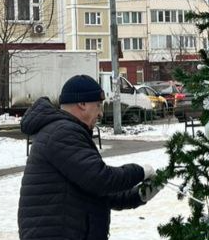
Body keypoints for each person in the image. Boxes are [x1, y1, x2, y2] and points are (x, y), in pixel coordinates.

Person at [18, 74, 161, 240]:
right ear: (82, 104)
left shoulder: (67, 131)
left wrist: (140, 194)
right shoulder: (62, 133)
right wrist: (141, 171)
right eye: (98, 106)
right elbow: (100, 179)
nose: (100, 113)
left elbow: (97, 191)